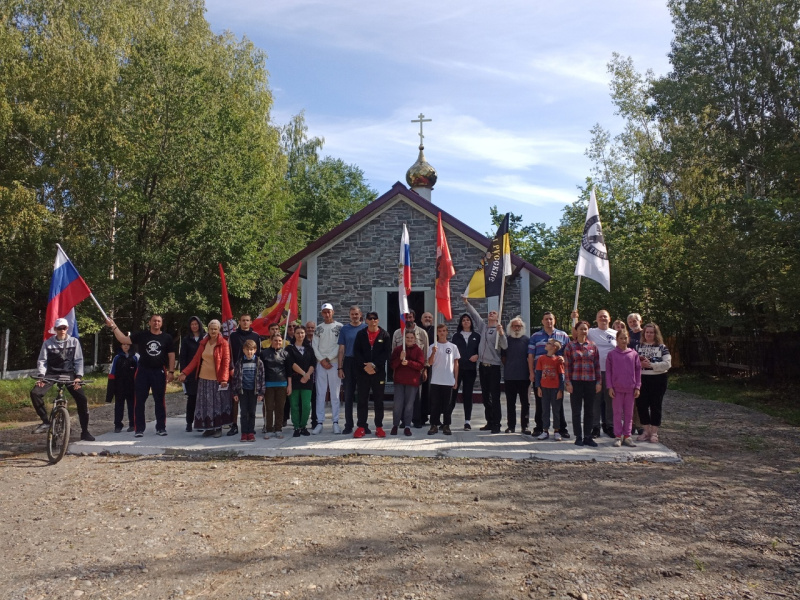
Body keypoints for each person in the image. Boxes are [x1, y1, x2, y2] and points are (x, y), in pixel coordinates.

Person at [106, 314, 175, 437]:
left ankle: (161, 427)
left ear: (162, 323)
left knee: (160, 400)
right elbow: (123, 339)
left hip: (159, 371)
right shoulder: (142, 335)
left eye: (159, 321)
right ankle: (139, 429)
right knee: (139, 401)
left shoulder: (167, 337)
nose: (156, 323)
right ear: (149, 322)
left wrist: (171, 372)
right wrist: (114, 326)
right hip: (143, 371)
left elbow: (171, 355)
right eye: (154, 321)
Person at [30, 318, 94, 440]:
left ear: (67, 329)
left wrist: (78, 377)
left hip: (69, 374)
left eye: (64, 328)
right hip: (51, 374)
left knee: (82, 399)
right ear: (55, 330)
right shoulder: (48, 343)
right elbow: (42, 361)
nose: (62, 330)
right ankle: (45, 421)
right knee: (35, 393)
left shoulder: (74, 342)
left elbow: (79, 360)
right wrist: (41, 376)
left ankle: (85, 431)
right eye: (59, 328)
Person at [178, 319, 231, 437]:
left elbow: (226, 362)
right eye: (211, 328)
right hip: (203, 379)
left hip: (216, 380)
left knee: (217, 404)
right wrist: (185, 373)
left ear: (219, 330)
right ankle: (209, 427)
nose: (213, 331)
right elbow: (195, 360)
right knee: (205, 405)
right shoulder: (203, 343)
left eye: (215, 329)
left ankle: (218, 428)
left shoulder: (224, 343)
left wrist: (224, 379)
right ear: (208, 329)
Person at [464, 298, 507, 434]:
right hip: (483, 366)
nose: (491, 313)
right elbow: (475, 315)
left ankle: (497, 424)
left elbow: (505, 346)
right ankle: (489, 421)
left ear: (498, 317)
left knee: (495, 397)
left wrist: (501, 334)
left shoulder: (499, 330)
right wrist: (467, 303)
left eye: (494, 313)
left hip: (494, 367)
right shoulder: (483, 327)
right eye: (490, 312)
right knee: (485, 396)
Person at [527, 312, 571, 438]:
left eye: (551, 319)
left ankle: (561, 429)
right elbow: (530, 355)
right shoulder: (535, 336)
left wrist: (562, 359)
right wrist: (531, 372)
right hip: (541, 375)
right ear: (542, 321)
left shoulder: (563, 335)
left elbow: (568, 353)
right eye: (546, 319)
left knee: (558, 404)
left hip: (556, 377)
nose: (548, 321)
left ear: (554, 320)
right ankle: (540, 428)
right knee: (541, 404)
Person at [352, 311, 391, 438]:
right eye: (370, 318)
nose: (373, 320)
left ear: (378, 320)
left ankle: (379, 427)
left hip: (378, 372)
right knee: (362, 400)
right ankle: (361, 426)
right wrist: (366, 366)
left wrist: (374, 365)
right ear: (366, 321)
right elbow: (356, 352)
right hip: (363, 372)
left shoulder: (384, 335)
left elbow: (386, 353)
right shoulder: (361, 334)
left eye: (375, 318)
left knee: (378, 401)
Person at [564, 320, 601, 448]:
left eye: (585, 329)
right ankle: (578, 436)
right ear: (576, 330)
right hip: (576, 382)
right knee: (576, 411)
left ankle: (588, 436)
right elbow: (567, 366)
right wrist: (568, 382)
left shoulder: (593, 346)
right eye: (581, 329)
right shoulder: (570, 346)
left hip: (590, 382)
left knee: (589, 411)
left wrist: (598, 382)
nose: (583, 331)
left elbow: (597, 365)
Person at [391, 310, 429, 428]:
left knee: (415, 397)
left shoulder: (422, 333)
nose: (408, 319)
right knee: (401, 399)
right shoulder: (397, 333)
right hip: (400, 372)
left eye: (410, 317)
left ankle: (417, 420)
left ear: (414, 318)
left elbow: (426, 352)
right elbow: (393, 352)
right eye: (406, 317)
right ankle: (403, 421)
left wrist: (426, 369)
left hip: (417, 372)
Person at [636, 323, 672, 444]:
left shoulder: (662, 347)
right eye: (647, 332)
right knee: (642, 405)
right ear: (644, 333)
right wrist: (639, 364)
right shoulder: (638, 346)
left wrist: (651, 365)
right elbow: (631, 362)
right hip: (641, 379)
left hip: (658, 379)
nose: (649, 334)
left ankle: (654, 432)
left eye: (651, 332)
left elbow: (667, 364)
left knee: (656, 405)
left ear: (656, 334)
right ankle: (646, 431)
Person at [227, 314, 261, 437]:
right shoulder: (233, 336)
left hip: (251, 373)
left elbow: (259, 355)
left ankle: (250, 429)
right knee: (236, 402)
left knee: (251, 408)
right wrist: (231, 368)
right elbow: (229, 353)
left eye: (247, 320)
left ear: (250, 322)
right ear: (239, 322)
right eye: (243, 321)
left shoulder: (256, 336)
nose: (245, 322)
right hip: (236, 372)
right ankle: (235, 425)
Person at [606, 328, 641, 447]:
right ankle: (617, 436)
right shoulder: (611, 354)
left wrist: (637, 386)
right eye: (621, 338)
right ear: (617, 339)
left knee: (629, 413)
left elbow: (638, 371)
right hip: (616, 389)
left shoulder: (633, 354)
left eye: (625, 338)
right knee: (617, 413)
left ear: (628, 339)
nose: (623, 340)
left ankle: (627, 435)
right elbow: (609, 372)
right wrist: (610, 387)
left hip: (630, 389)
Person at [311, 303, 343, 434]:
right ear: (322, 313)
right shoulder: (318, 328)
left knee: (335, 394)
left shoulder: (340, 327)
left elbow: (340, 345)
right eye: (324, 312)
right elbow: (315, 346)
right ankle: (320, 422)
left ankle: (335, 422)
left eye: (329, 311)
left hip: (334, 363)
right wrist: (322, 360)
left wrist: (329, 359)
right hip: (321, 364)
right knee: (321, 393)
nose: (327, 314)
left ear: (333, 312)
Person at [337, 306, 367, 434]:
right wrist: (340, 367)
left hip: (362, 364)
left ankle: (362, 424)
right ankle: (348, 425)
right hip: (349, 362)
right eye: (352, 314)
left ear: (360, 315)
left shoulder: (366, 328)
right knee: (348, 395)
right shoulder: (345, 329)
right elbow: (341, 349)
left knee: (362, 395)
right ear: (349, 315)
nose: (355, 316)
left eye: (356, 314)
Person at [390, 330, 425, 436]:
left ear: (415, 339)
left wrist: (409, 363)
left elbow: (420, 365)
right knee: (397, 404)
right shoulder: (398, 350)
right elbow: (392, 365)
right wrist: (400, 359)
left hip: (412, 381)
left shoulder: (418, 350)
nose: (409, 340)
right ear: (404, 339)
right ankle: (395, 425)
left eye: (411, 338)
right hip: (399, 381)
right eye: (407, 337)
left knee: (409, 405)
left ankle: (407, 426)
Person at [588, 309, 617, 438]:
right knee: (595, 400)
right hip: (595, 372)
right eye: (600, 317)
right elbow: (576, 334)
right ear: (596, 319)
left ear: (609, 319)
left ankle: (610, 426)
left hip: (611, 372)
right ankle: (595, 427)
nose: (603, 318)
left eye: (605, 316)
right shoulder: (591, 332)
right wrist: (574, 318)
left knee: (610, 400)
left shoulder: (616, 333)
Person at [427, 324, 459, 435]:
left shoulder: (453, 347)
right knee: (435, 404)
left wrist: (456, 379)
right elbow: (430, 363)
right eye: (439, 331)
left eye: (444, 331)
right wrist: (433, 353)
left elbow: (456, 364)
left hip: (448, 380)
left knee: (447, 405)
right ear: (437, 333)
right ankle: (434, 425)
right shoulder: (432, 346)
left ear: (447, 332)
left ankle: (446, 425)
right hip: (436, 380)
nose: (441, 333)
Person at [451, 312, 480, 431]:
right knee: (453, 394)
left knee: (467, 395)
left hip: (470, 369)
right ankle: (447, 419)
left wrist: (477, 356)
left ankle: (467, 421)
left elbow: (481, 350)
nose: (466, 322)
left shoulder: (476, 336)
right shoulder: (456, 336)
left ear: (471, 322)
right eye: (463, 320)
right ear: (461, 323)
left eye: (468, 320)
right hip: (458, 369)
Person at [286, 325, 316, 437]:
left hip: (307, 380)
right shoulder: (289, 348)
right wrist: (303, 374)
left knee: (306, 405)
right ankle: (296, 427)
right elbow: (291, 363)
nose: (300, 335)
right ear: (294, 334)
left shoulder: (309, 348)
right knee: (294, 405)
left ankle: (303, 426)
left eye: (302, 333)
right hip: (294, 380)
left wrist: (307, 375)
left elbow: (313, 363)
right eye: (298, 333)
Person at [231, 339, 264, 442]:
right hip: (243, 391)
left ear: (255, 350)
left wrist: (261, 392)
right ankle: (244, 432)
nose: (249, 352)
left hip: (254, 391)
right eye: (247, 350)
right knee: (244, 412)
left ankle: (251, 432)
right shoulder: (240, 362)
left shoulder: (259, 362)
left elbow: (262, 378)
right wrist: (235, 392)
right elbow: (235, 378)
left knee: (252, 412)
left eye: (251, 350)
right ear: (243, 350)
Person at [502, 316, 530, 434]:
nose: (517, 328)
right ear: (510, 327)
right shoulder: (506, 340)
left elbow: (530, 357)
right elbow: (503, 357)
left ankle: (525, 426)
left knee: (525, 403)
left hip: (524, 377)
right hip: (510, 377)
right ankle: (511, 426)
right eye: (514, 326)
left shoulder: (527, 340)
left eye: (519, 326)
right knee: (510, 403)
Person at [534, 339, 565, 441]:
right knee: (545, 410)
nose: (546, 345)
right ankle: (545, 430)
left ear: (554, 347)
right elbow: (538, 373)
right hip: (544, 388)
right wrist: (538, 387)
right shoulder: (541, 359)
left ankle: (556, 430)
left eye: (548, 343)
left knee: (556, 410)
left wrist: (561, 390)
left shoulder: (558, 360)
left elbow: (561, 375)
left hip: (555, 389)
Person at [262, 332, 291, 439]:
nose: (278, 342)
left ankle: (278, 429)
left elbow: (289, 372)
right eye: (275, 340)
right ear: (271, 341)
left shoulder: (285, 354)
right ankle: (269, 429)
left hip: (282, 384)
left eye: (279, 340)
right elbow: (262, 372)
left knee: (280, 408)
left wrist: (289, 385)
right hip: (268, 385)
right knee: (269, 408)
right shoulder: (264, 354)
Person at [105, 341, 138, 433]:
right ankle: (118, 425)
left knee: (132, 405)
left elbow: (140, 372)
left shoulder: (136, 357)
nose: (126, 346)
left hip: (132, 387)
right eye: (124, 344)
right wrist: (111, 389)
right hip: (119, 386)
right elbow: (112, 373)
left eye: (127, 344)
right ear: (121, 346)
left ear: (130, 346)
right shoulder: (117, 358)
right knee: (119, 405)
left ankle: (132, 424)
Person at [179, 316, 205, 432]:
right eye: (192, 324)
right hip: (190, 373)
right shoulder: (186, 340)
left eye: (196, 324)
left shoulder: (205, 338)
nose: (194, 326)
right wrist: (184, 372)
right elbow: (183, 357)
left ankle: (200, 422)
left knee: (203, 399)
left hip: (203, 372)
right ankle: (189, 422)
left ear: (199, 324)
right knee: (192, 398)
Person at [418, 311, 436, 427]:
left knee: (433, 392)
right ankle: (421, 416)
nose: (428, 319)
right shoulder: (418, 331)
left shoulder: (436, 331)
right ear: (421, 319)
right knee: (421, 392)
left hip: (434, 365)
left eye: (430, 317)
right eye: (425, 317)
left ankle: (434, 417)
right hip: (420, 365)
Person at [305, 320, 319, 429]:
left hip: (317, 375)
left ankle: (315, 421)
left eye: (312, 328)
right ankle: (302, 422)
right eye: (308, 328)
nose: (310, 330)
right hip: (305, 375)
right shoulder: (302, 341)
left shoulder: (319, 340)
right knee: (305, 401)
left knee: (315, 400)